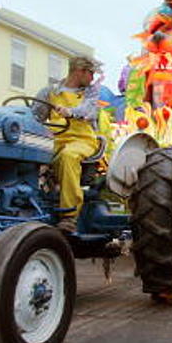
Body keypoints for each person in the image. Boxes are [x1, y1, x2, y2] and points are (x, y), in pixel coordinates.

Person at [33, 56, 101, 233]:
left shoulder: (90, 93)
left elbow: (89, 111)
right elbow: (35, 117)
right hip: (56, 140)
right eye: (91, 73)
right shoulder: (49, 92)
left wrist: (70, 112)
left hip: (83, 140)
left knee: (68, 156)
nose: (92, 78)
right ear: (80, 71)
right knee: (30, 152)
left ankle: (69, 216)